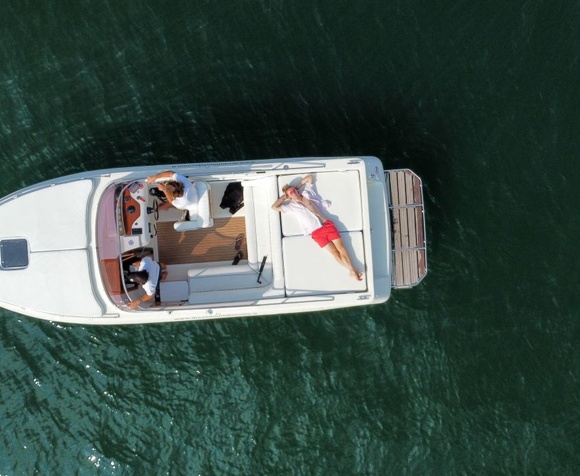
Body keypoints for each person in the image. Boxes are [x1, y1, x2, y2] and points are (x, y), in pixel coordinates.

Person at [271, 175, 363, 281]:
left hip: (327, 225)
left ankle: (353, 271)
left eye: (294, 190)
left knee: (341, 248)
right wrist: (285, 196)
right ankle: (352, 270)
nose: (294, 192)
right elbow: (274, 207)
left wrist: (295, 187)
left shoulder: (307, 193)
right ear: (288, 196)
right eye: (291, 193)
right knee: (334, 253)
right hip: (316, 233)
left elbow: (309, 177)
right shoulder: (290, 207)